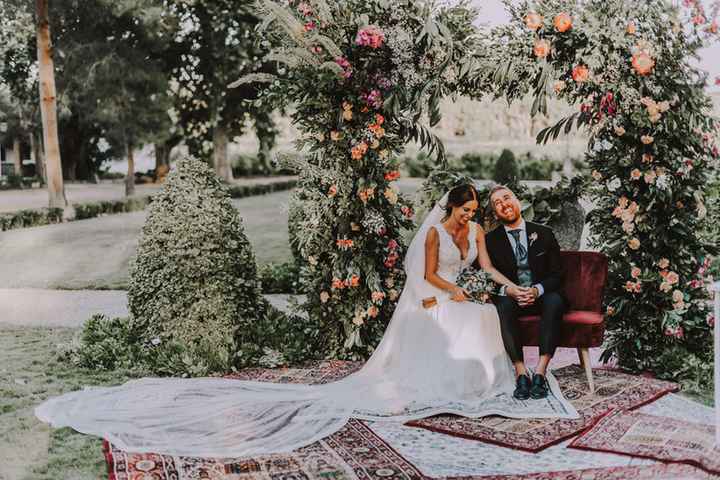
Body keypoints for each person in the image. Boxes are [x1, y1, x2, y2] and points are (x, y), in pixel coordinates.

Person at [35, 184, 577, 459]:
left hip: (468, 293)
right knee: (463, 315)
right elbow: (430, 274)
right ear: (453, 208)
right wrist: (452, 290)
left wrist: (489, 286)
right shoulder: (436, 233)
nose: (473, 213)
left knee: (485, 313)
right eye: (470, 207)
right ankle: (445, 380)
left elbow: (482, 267)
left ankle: (497, 381)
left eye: (476, 208)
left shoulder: (478, 234)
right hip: (438, 296)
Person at [484, 185, 567, 401]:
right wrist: (508, 290)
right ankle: (521, 373)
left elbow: (557, 275)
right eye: (497, 203)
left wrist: (536, 290)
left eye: (507, 198)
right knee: (501, 305)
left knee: (555, 301)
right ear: (495, 213)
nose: (504, 204)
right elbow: (485, 277)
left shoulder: (545, 233)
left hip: (540, 295)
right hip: (511, 297)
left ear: (518, 201)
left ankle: (540, 372)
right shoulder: (489, 241)